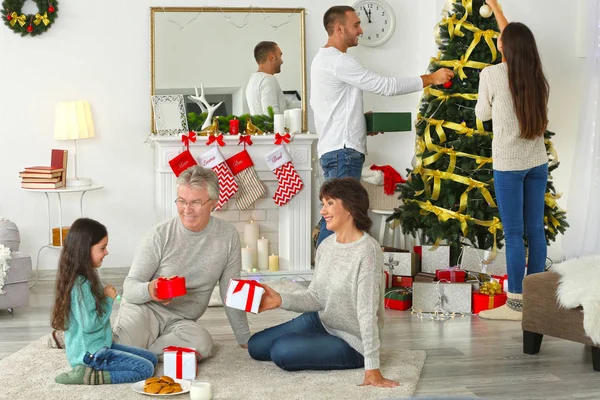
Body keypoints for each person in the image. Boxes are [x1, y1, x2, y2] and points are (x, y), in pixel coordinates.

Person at [312, 5, 454, 246]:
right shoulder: (338, 62)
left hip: (336, 150)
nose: (360, 30)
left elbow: (329, 108)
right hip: (343, 153)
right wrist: (431, 79)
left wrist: (361, 123)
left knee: (338, 220)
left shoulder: (322, 61)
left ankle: (330, 277)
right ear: (339, 28)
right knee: (340, 223)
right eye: (355, 25)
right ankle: (326, 279)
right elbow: (386, 86)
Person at [248, 178, 398, 388]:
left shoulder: (368, 251)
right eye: (322, 204)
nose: (322, 211)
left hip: (352, 341)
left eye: (329, 203)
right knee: (255, 346)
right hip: (322, 321)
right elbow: (316, 297)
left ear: (350, 208)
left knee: (280, 351)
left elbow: (367, 313)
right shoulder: (326, 246)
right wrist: (280, 300)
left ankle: (353, 357)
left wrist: (372, 366)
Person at [112, 166, 250, 357]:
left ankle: (138, 352)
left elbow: (231, 291)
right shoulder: (159, 235)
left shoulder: (228, 236)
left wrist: (244, 338)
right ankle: (129, 346)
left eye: (196, 202)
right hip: (145, 311)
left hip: (181, 322)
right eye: (182, 201)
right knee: (120, 346)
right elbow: (129, 287)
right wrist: (150, 290)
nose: (187, 210)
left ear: (213, 204)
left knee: (203, 344)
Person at [475, 0, 549, 321]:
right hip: (537, 161)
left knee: (514, 232)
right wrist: (499, 10)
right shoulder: (535, 74)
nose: (496, 39)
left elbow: (483, 115)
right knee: (535, 230)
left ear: (503, 46)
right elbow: (512, 38)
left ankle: (516, 305)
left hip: (508, 164)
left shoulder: (491, 74)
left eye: (499, 40)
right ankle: (536, 300)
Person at [51, 218, 157, 385]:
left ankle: (97, 367)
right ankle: (89, 374)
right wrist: (108, 300)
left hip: (101, 344)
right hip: (90, 354)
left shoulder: (88, 275)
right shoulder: (80, 285)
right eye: (102, 248)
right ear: (85, 250)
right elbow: (90, 324)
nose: (106, 252)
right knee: (146, 369)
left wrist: (110, 295)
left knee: (151, 358)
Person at [246, 41, 299, 115]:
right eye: (280, 56)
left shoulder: (253, 80)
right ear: (272, 57)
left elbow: (285, 105)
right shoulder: (268, 79)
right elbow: (271, 115)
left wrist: (307, 104)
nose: (281, 61)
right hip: (272, 127)